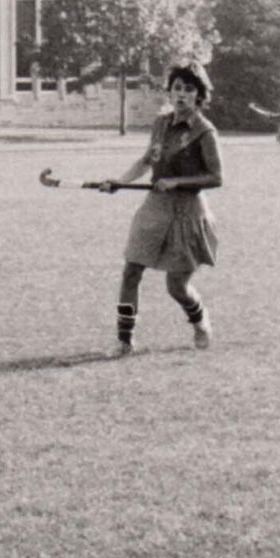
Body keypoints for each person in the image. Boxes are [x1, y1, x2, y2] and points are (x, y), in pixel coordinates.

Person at [95, 62, 223, 356]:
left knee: (176, 286)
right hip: (155, 208)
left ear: (199, 95)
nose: (182, 94)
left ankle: (200, 321)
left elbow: (216, 177)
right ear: (170, 91)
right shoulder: (161, 123)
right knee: (131, 271)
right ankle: (124, 340)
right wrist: (120, 181)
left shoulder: (205, 132)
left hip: (187, 213)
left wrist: (177, 182)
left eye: (189, 89)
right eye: (177, 88)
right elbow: (146, 161)